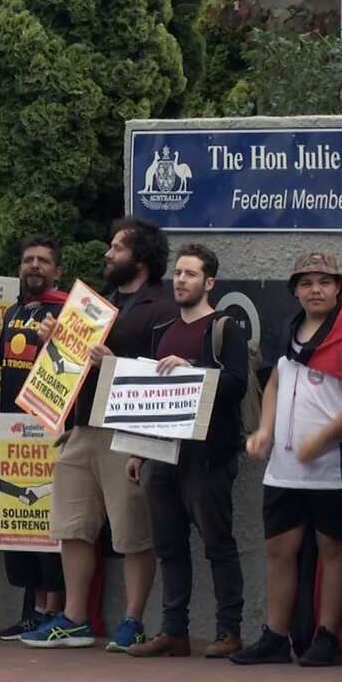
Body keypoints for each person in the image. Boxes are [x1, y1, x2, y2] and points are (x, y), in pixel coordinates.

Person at [25, 219, 176, 651]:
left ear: (141, 258)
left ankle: (133, 620)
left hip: (125, 433)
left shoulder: (161, 308)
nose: (108, 255)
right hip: (81, 426)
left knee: (131, 533)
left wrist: (114, 362)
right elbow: (74, 365)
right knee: (72, 527)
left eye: (116, 248)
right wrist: (56, 339)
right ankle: (74, 618)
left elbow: (163, 378)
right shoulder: (100, 304)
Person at [231, 252, 342, 667]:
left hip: (333, 466)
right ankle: (275, 635)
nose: (316, 290)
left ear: (339, 287)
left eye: (325, 282)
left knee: (334, 550)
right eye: (307, 283)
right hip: (284, 468)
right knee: (279, 549)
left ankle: (327, 637)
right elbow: (275, 379)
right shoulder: (288, 329)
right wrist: (265, 430)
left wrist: (323, 439)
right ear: (294, 290)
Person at [123, 244, 247, 659]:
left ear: (209, 283)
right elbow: (148, 397)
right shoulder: (161, 332)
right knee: (169, 546)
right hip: (162, 455)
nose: (180, 280)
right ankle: (173, 632)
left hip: (208, 455)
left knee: (218, 545)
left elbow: (235, 385)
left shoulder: (225, 328)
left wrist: (190, 371)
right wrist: (137, 451)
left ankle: (229, 630)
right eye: (177, 273)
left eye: (190, 274)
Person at [0, 235, 69, 641]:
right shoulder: (13, 312)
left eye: (42, 261)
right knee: (21, 525)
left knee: (49, 528)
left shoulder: (65, 310)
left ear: (57, 270)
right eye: (28, 260)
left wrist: (58, 338)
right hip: (13, 432)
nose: (34, 266)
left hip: (51, 433)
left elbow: (73, 369)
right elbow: (6, 375)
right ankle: (32, 611)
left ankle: (54, 611)